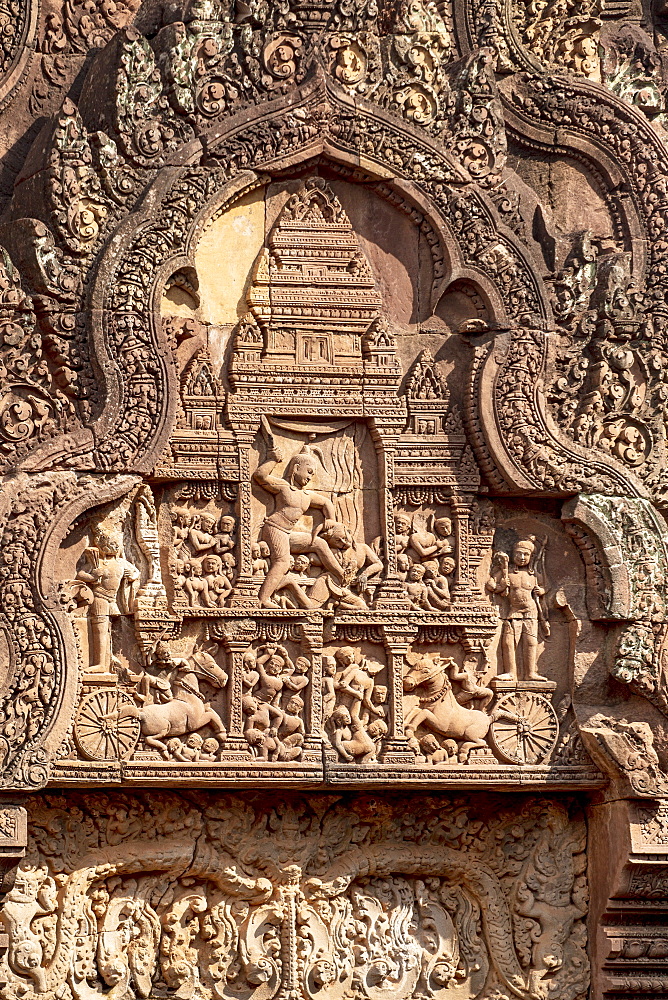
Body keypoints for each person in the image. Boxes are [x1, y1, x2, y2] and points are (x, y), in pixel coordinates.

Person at [253, 443, 345, 607]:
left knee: (319, 542)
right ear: (296, 468)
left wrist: (330, 519)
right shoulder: (283, 487)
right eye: (309, 472)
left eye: (313, 474)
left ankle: (340, 574)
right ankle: (263, 599)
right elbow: (260, 476)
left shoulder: (307, 496)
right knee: (282, 562)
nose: (310, 477)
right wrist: (272, 460)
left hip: (287, 534)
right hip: (274, 529)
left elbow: (326, 503)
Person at [76, 527, 140, 672]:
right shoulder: (98, 562)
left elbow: (136, 572)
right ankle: (100, 663)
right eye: (111, 542)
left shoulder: (121, 563)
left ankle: (109, 659)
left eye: (116, 543)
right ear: (102, 544)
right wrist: (92, 577)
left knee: (111, 631)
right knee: (100, 630)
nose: (114, 545)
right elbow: (80, 574)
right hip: (100, 597)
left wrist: (132, 576)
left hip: (113, 600)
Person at [486, 537, 549, 681]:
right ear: (513, 554)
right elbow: (491, 584)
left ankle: (531, 673)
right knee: (508, 641)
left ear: (531, 557)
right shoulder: (506, 573)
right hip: (513, 611)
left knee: (531, 642)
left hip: (530, 611)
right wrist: (501, 586)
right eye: (519, 554)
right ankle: (511, 672)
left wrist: (542, 591)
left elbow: (546, 585)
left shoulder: (533, 575)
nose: (521, 557)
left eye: (525, 555)